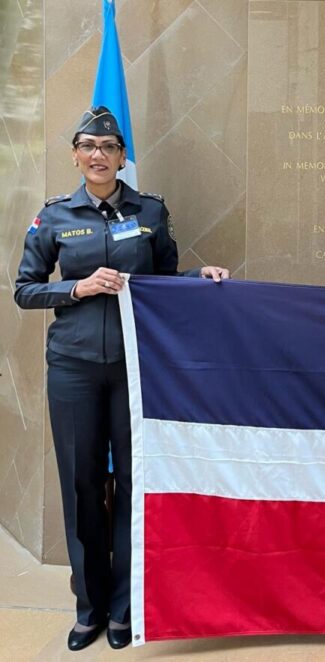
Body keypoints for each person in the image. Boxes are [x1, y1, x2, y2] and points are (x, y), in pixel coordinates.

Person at [14, 107, 230, 651]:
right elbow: (24, 290)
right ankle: (89, 607)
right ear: (75, 156)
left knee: (135, 484)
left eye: (108, 147)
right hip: (75, 369)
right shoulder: (55, 217)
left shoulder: (150, 211)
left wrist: (198, 277)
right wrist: (78, 288)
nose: (98, 155)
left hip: (136, 368)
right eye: (88, 146)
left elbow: (163, 284)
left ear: (121, 157)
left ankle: (124, 607)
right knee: (83, 485)